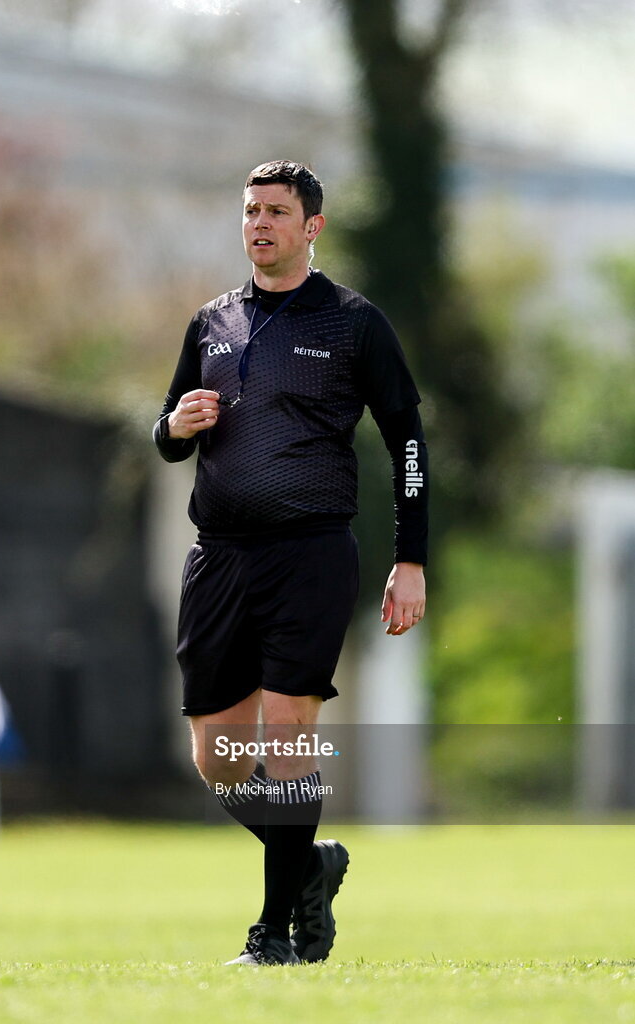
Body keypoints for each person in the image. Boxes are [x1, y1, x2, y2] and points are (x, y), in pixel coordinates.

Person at [153, 160, 428, 966]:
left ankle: (275, 937)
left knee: (288, 732)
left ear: (312, 227)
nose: (258, 224)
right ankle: (310, 863)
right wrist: (173, 427)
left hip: (309, 555)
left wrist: (409, 558)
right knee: (215, 755)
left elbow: (408, 441)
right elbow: (166, 437)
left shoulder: (353, 323)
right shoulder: (210, 323)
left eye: (275, 211)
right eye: (249, 211)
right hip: (218, 561)